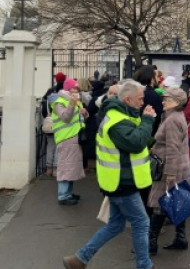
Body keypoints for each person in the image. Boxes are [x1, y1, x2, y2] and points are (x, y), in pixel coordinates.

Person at [63, 80, 156, 269]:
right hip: (122, 182)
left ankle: (79, 259)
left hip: (117, 181)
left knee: (115, 225)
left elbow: (138, 140)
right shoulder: (117, 121)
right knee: (141, 222)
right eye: (139, 99)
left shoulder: (122, 115)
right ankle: (144, 265)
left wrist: (144, 126)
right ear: (128, 99)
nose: (142, 102)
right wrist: (147, 121)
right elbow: (136, 142)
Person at [147, 87, 190, 255]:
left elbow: (173, 149)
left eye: (167, 99)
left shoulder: (172, 120)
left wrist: (170, 173)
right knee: (177, 201)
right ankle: (181, 239)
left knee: (160, 204)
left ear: (177, 102)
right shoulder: (173, 116)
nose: (163, 101)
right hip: (178, 166)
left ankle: (151, 243)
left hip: (170, 167)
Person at [52, 77, 86, 205]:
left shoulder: (76, 101)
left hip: (73, 137)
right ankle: (63, 195)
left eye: (77, 88)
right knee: (66, 166)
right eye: (74, 88)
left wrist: (84, 113)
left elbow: (77, 118)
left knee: (71, 167)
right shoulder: (59, 102)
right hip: (65, 137)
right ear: (67, 88)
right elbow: (65, 117)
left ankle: (69, 193)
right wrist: (72, 104)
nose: (76, 90)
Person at [43, 72, 67, 177]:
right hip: (60, 123)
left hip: (49, 122)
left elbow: (44, 109)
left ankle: (48, 168)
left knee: (50, 146)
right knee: (59, 147)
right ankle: (56, 169)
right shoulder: (65, 93)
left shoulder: (50, 92)